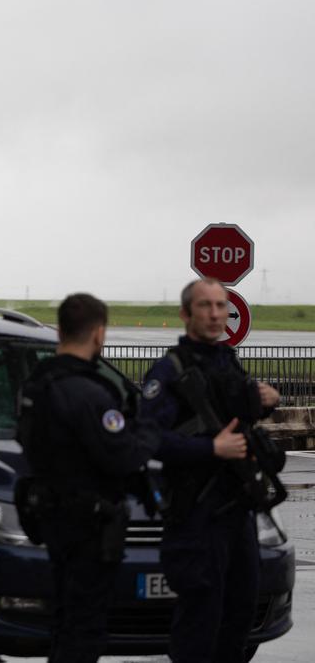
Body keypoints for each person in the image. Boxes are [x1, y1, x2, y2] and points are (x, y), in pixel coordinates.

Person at [140, 278, 281, 663]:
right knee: (199, 622)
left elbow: (235, 417)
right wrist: (211, 449)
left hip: (238, 510)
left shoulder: (226, 362)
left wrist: (266, 401)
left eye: (221, 306)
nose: (216, 314)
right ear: (186, 314)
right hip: (196, 516)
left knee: (240, 614)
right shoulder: (169, 371)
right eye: (205, 305)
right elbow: (148, 439)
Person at [16, 293, 160, 662]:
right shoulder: (88, 392)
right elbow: (122, 455)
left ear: (60, 330)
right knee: (85, 627)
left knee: (65, 619)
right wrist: (148, 431)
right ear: (98, 333)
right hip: (88, 524)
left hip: (52, 515)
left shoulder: (37, 384)